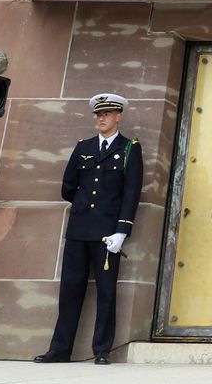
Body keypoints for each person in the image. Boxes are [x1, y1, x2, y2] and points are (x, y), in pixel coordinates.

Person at [35, 92, 142, 365]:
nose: (101, 118)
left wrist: (122, 230)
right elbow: (68, 186)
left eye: (106, 114)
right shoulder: (83, 147)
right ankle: (60, 349)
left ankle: (102, 350)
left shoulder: (130, 148)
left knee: (106, 292)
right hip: (79, 229)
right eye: (98, 114)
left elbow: (131, 193)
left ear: (118, 116)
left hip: (108, 234)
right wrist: (84, 207)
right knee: (70, 290)